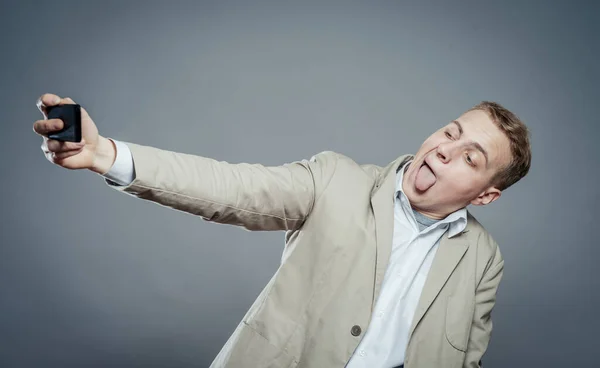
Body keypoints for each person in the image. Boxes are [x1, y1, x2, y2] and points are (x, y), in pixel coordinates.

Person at [33, 93, 531, 368]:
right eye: (450, 132)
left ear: (486, 194)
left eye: (471, 157)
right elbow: (232, 188)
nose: (446, 148)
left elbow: (466, 358)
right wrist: (106, 155)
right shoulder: (337, 178)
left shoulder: (484, 257)